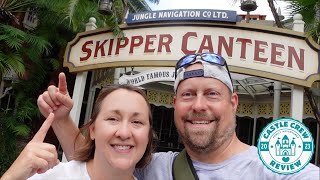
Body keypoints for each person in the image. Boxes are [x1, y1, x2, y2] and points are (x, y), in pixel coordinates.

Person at [36, 53, 319, 179]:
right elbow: (94, 162)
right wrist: (61, 119)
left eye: (211, 93)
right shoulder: (150, 167)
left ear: (233, 103)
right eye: (188, 94)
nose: (198, 105)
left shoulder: (276, 170)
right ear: (175, 104)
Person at [2, 82, 154, 180]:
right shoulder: (51, 177)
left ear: (148, 136)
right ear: (93, 130)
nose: (124, 133)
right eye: (113, 119)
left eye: (137, 122)